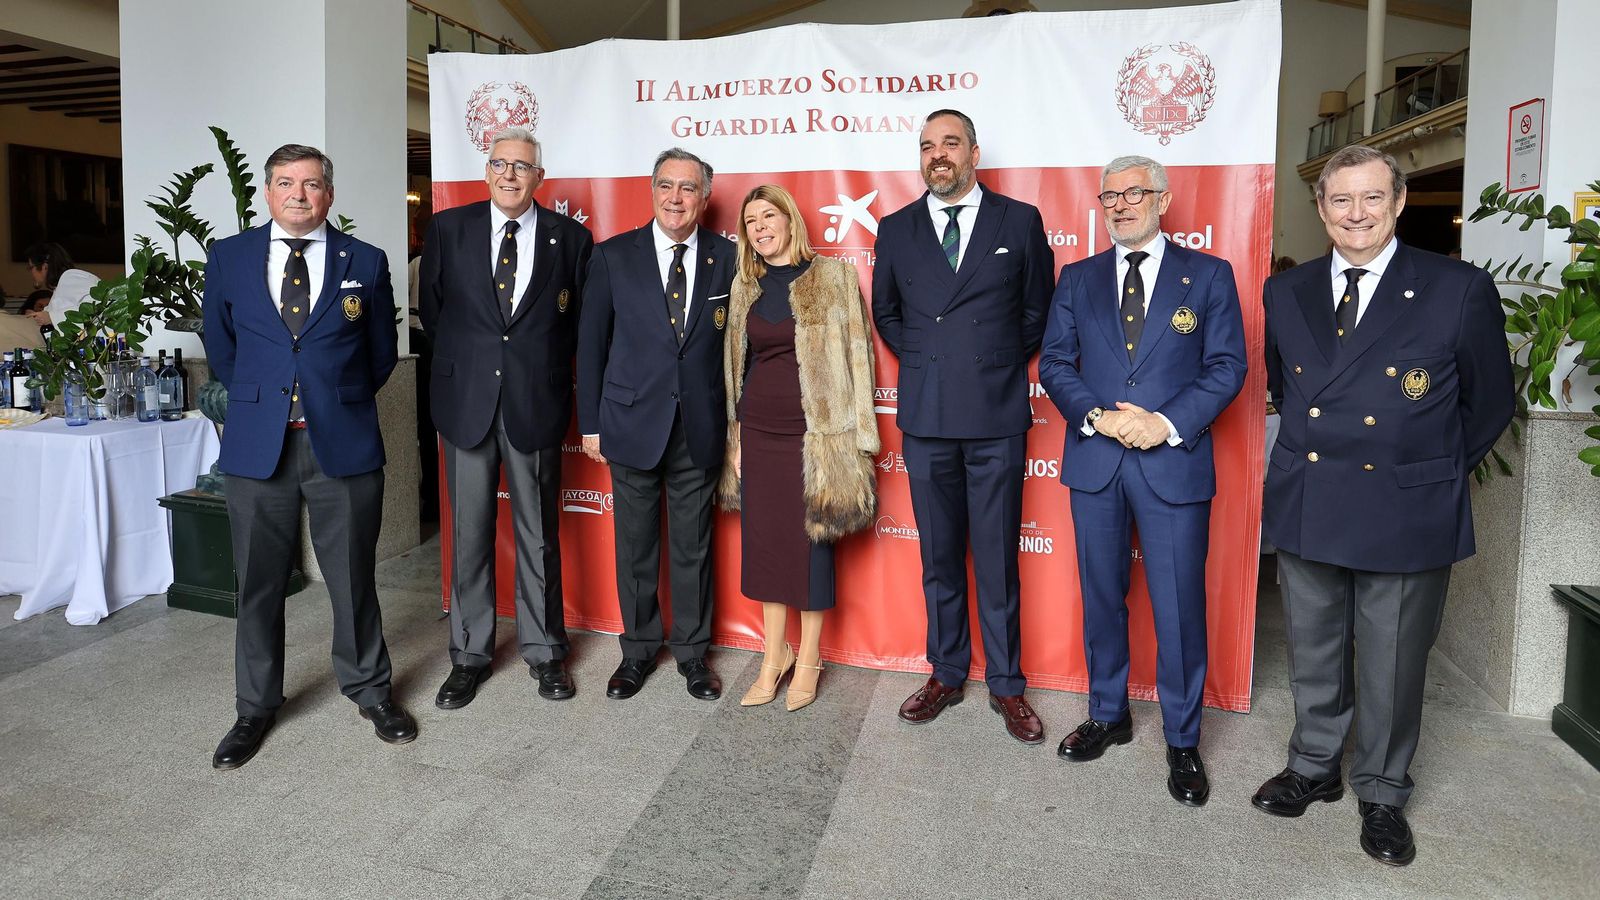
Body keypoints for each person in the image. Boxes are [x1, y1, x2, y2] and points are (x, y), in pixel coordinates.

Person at [1256, 145, 1513, 865]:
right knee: (1314, 647)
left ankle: (1382, 789)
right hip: (1311, 495)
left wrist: (1428, 470)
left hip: (1406, 506)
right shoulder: (1289, 291)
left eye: (1372, 198)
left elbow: (1490, 400)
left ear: (1399, 202)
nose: (1357, 214)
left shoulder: (1455, 286)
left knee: (1395, 660)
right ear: (1321, 208)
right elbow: (1287, 386)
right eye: (1341, 200)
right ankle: (1313, 767)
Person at [1038, 155, 1247, 806]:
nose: (1121, 204)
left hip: (1172, 462)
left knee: (1180, 606)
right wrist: (1098, 416)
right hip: (1097, 461)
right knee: (1102, 596)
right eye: (1110, 196)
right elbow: (1054, 361)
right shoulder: (1077, 278)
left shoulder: (1209, 276)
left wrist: (1164, 423)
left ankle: (1183, 742)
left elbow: (1227, 366)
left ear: (1163, 198)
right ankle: (1109, 713)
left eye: (1135, 193)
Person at [202, 143, 415, 769]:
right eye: (287, 183)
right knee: (259, 583)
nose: (300, 194)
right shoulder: (231, 257)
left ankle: (371, 690)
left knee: (352, 577)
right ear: (268, 192)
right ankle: (254, 707)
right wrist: (267, 402)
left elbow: (379, 355)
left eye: (313, 183)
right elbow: (223, 346)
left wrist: (333, 401)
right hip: (257, 446)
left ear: (330, 194)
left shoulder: (367, 261)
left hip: (341, 444)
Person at [871, 109, 1054, 744]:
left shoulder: (1018, 221)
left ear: (974, 151)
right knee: (939, 554)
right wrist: (926, 361)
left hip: (996, 412)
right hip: (926, 414)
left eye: (950, 143)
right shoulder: (895, 229)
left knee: (998, 557)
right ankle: (946, 671)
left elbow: (1037, 313)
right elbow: (887, 316)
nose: (938, 155)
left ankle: (1007, 683)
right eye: (927, 146)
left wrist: (996, 361)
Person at [419, 126, 595, 708]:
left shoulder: (571, 239)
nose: (511, 175)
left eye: (522, 166)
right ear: (487, 170)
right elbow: (437, 315)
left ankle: (545, 654)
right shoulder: (447, 228)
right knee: (468, 534)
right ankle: (469, 655)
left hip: (534, 402)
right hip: (466, 402)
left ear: (539, 176)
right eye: (501, 164)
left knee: (539, 535)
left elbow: (575, 329)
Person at [577, 148, 736, 702]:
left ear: (705, 196)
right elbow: (590, 347)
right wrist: (591, 424)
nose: (676, 198)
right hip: (629, 423)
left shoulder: (728, 258)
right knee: (636, 546)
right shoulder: (613, 256)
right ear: (652, 190)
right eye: (666, 186)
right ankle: (638, 651)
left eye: (688, 188)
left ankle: (693, 655)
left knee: (693, 547)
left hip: (700, 424)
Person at [716, 185, 879, 711]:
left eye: (768, 215)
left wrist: (860, 439)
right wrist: (735, 437)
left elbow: (860, 359)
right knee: (764, 547)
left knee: (811, 549)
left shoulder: (833, 277)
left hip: (816, 439)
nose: (759, 227)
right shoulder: (746, 284)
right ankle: (774, 656)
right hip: (758, 433)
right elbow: (734, 369)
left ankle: (808, 658)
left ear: (790, 220)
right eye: (750, 221)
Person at [23, 242, 96, 326]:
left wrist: (51, 317)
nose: (31, 272)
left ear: (44, 266)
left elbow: (96, 307)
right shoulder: (62, 284)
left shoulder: (71, 277)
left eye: (31, 267)